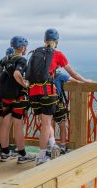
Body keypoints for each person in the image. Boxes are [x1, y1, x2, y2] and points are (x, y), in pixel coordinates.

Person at [26, 28, 91, 165]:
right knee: (46, 124)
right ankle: (42, 156)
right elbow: (71, 72)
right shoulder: (57, 54)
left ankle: (52, 145)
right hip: (48, 92)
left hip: (32, 92)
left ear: (45, 40)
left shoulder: (36, 52)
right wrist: (85, 81)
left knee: (45, 123)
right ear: (57, 41)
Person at [0, 36, 34, 164]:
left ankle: (5, 152)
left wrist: (5, 83)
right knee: (18, 125)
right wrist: (25, 85)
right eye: (25, 46)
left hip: (5, 97)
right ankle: (22, 154)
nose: (26, 49)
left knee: (6, 124)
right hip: (18, 97)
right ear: (22, 47)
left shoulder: (4, 59)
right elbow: (17, 74)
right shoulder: (21, 59)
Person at [53, 71, 71, 154]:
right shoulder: (59, 75)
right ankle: (63, 147)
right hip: (58, 104)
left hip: (46, 104)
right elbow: (73, 79)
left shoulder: (43, 74)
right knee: (62, 125)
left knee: (50, 126)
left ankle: (51, 147)